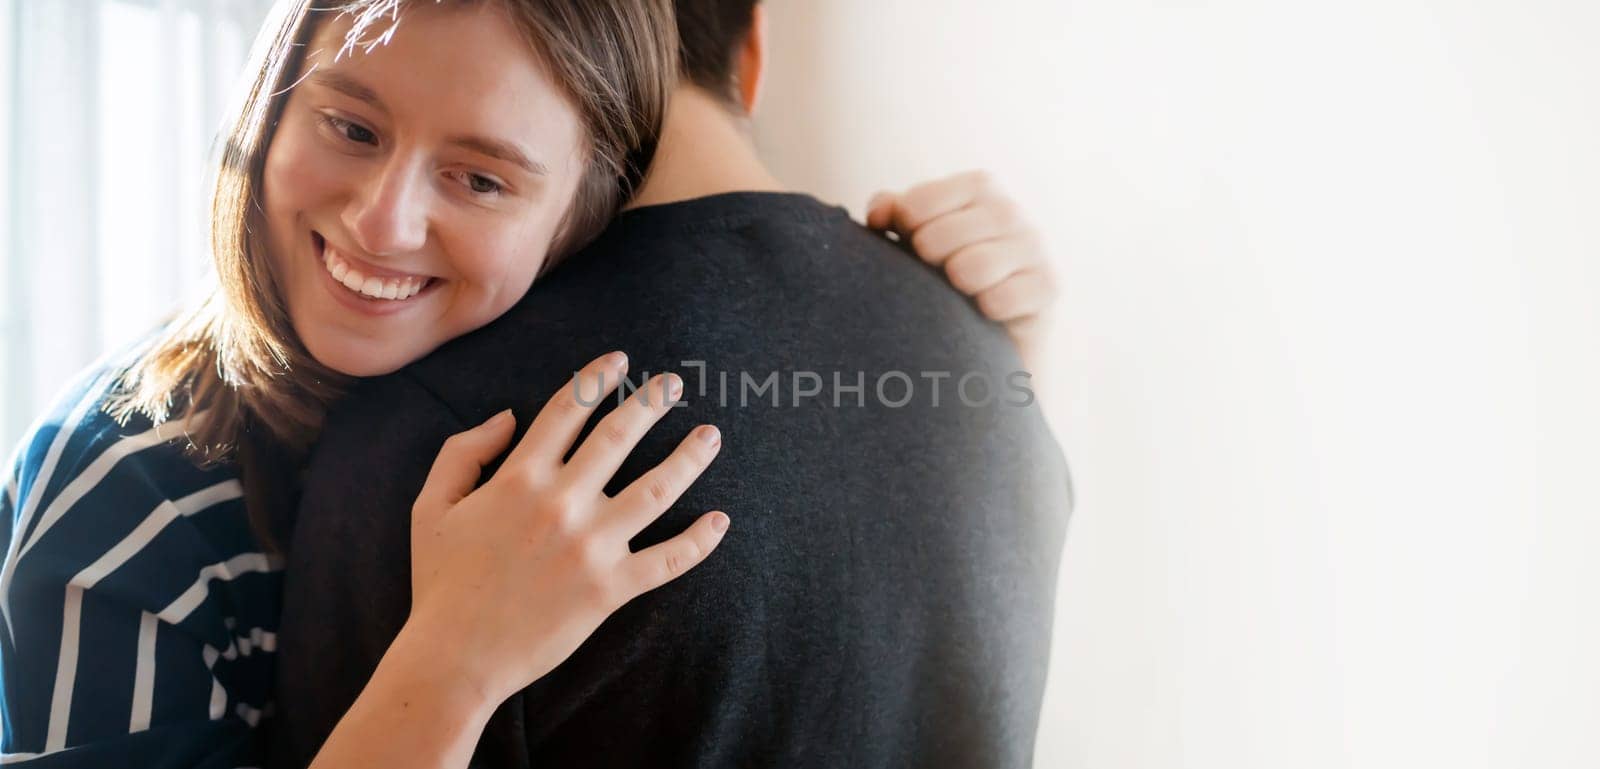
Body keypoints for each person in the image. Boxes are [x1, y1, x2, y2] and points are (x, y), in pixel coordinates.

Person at [0, 1, 1059, 767]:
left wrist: (999, 347)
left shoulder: (497, 408)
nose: (383, 221)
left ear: (584, 203)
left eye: (480, 176)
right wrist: (456, 659)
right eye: (351, 126)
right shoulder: (127, 476)